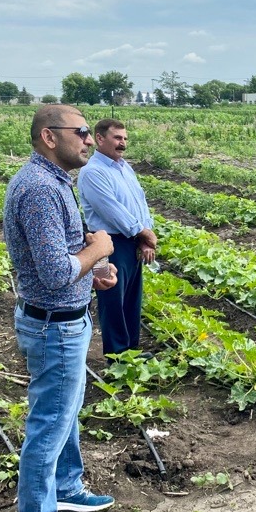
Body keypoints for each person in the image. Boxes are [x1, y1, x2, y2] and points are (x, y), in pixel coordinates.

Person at [3, 104, 119, 512]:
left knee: (65, 412)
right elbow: (54, 272)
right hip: (55, 325)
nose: (90, 140)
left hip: (64, 318)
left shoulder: (53, 183)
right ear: (50, 137)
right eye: (83, 132)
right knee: (49, 423)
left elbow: (61, 263)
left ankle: (67, 488)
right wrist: (100, 247)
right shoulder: (38, 190)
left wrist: (92, 273)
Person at [77, 118, 157, 359]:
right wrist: (143, 233)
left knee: (131, 297)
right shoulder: (92, 172)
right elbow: (111, 210)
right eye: (117, 138)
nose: (122, 143)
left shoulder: (124, 167)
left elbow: (139, 203)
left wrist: (143, 237)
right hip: (104, 244)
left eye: (124, 139)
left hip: (130, 240)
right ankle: (117, 357)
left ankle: (131, 351)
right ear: (100, 138)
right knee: (111, 298)